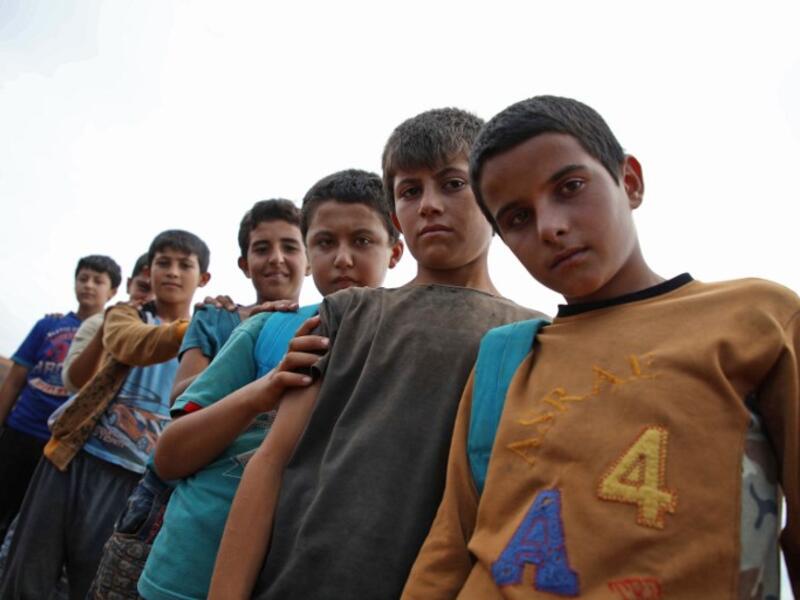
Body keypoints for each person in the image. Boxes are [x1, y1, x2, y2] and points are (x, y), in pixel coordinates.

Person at [402, 95, 800, 599]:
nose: (551, 227)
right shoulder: (506, 359)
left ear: (629, 181)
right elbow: (450, 544)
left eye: (570, 188)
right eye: (518, 218)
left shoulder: (757, 318)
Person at [209, 109, 545, 599]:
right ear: (396, 218)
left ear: (493, 193)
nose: (429, 205)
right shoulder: (347, 314)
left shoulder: (532, 336)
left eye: (453, 184)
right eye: (410, 191)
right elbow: (271, 461)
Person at [138, 168, 403, 600]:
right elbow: (168, 457)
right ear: (309, 251)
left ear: (395, 251)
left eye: (362, 240)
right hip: (188, 570)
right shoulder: (267, 327)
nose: (341, 258)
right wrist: (266, 388)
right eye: (324, 242)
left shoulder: (405, 343)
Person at [89, 198, 309, 599]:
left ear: (308, 257)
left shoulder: (319, 324)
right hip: (170, 498)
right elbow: (183, 392)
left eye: (290, 247)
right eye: (262, 248)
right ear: (244, 264)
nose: (276, 258)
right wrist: (248, 342)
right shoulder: (217, 317)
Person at [0, 230, 210, 600]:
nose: (172, 272)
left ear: (203, 278)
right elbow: (134, 344)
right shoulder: (125, 317)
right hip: (73, 458)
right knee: (27, 572)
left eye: (184, 265)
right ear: (150, 269)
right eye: (163, 263)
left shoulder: (207, 338)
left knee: (96, 579)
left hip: (136, 479)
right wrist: (202, 324)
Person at [0, 254, 121, 539]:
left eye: (98, 281)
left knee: (31, 520)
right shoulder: (48, 326)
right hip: (21, 430)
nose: (88, 286)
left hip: (63, 443)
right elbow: (16, 378)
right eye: (83, 278)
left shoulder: (114, 335)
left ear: (113, 291)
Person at [62, 253, 154, 394]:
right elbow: (74, 384)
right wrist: (106, 329)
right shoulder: (98, 323)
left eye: (161, 292)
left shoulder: (184, 337)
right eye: (143, 288)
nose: (151, 298)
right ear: (129, 285)